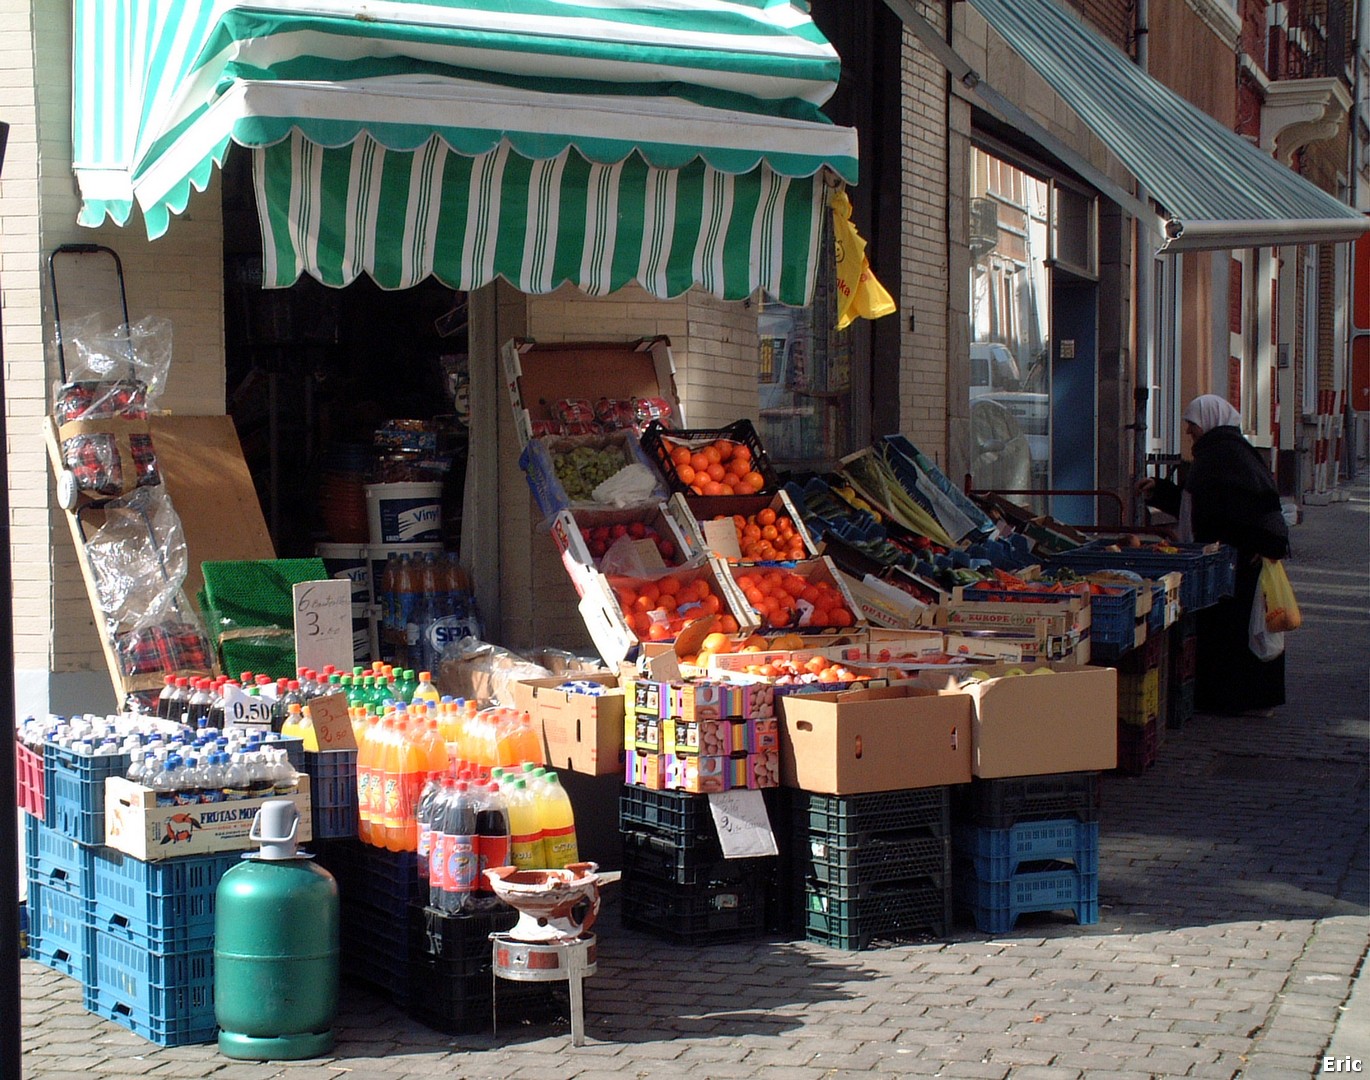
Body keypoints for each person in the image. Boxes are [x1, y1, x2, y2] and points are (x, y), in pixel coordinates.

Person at [1138, 395, 1290, 715]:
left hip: (1238, 559)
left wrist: (1261, 545)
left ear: (1208, 420)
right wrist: (1160, 489)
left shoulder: (1226, 453)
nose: (1190, 431)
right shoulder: (1220, 451)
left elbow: (1251, 505)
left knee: (1236, 633)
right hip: (1228, 557)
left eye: (1193, 424)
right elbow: (1200, 503)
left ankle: (1241, 700)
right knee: (1233, 631)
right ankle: (1238, 699)